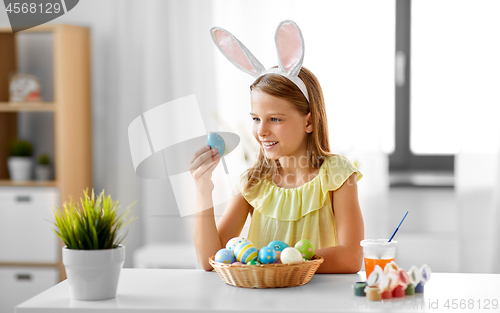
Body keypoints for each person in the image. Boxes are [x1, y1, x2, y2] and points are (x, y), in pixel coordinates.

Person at [190, 21, 364, 273]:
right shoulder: (253, 182)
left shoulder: (337, 175)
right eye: (256, 119)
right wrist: (203, 188)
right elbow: (210, 259)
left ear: (309, 121)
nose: (261, 130)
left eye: (275, 119)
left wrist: (284, 261)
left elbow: (351, 258)